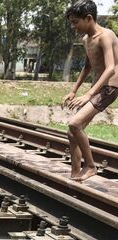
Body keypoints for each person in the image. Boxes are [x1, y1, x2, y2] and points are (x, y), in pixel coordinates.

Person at [62, 0, 118, 181]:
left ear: (89, 18)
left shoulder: (106, 36)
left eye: (76, 22)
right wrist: (74, 90)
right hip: (99, 87)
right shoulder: (86, 39)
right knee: (72, 131)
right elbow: (87, 67)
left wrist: (88, 94)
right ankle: (75, 172)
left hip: (110, 87)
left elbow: (110, 68)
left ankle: (91, 166)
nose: (73, 26)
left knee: (75, 124)